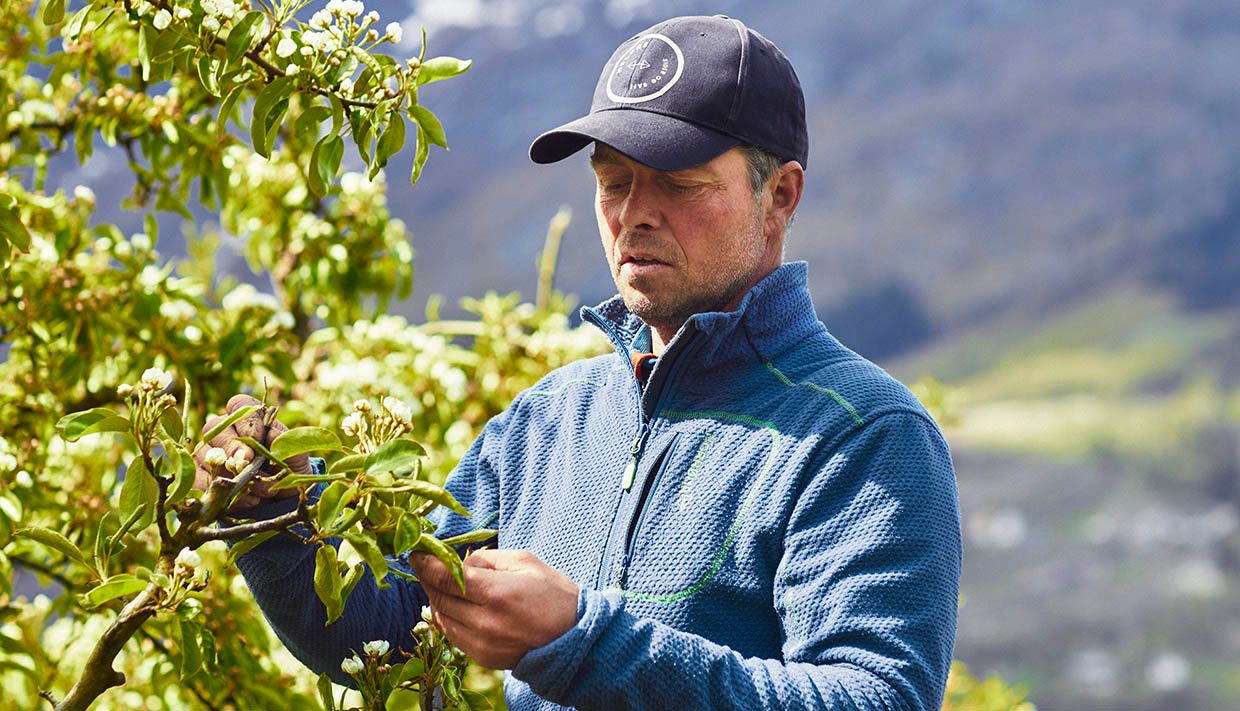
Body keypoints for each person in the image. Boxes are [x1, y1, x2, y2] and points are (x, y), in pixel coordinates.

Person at [202, 15, 962, 710]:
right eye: (613, 181)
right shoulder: (548, 420)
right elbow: (390, 628)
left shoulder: (864, 434)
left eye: (679, 183)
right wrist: (268, 515)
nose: (634, 213)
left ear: (781, 196)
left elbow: (877, 697)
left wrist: (582, 639)